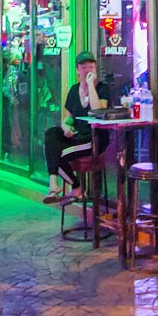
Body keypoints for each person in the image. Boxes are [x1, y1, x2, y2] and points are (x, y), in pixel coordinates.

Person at [42, 53, 105, 203]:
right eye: (83, 67)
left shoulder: (103, 89)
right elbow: (68, 118)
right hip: (76, 136)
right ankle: (53, 184)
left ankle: (76, 188)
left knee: (59, 155)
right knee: (51, 134)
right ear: (77, 70)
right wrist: (65, 128)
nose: (87, 70)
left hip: (93, 138)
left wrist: (90, 85)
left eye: (91, 66)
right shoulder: (74, 90)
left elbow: (99, 112)